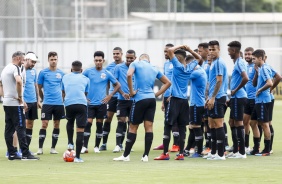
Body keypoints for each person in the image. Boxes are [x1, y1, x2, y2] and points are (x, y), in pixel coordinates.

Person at [113, 54, 171, 162]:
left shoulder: (135, 64)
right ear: (149, 60)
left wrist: (131, 92)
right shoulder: (154, 68)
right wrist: (156, 94)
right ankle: (145, 156)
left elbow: (129, 75)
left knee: (133, 127)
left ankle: (126, 156)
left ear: (139, 59)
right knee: (149, 127)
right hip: (151, 100)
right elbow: (168, 82)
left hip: (139, 99)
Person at [154, 45, 202, 161]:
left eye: (175, 57)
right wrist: (190, 50)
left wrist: (182, 46)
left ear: (179, 58)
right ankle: (181, 154)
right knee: (181, 127)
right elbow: (199, 58)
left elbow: (170, 50)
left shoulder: (177, 66)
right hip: (184, 101)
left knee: (168, 125)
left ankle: (165, 153)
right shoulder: (190, 67)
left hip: (175, 99)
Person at [0, 51, 39, 160]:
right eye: (22, 58)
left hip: (7, 102)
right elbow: (18, 81)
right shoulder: (15, 68)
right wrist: (20, 97)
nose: (23, 60)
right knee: (21, 127)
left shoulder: (5, 68)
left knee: (9, 129)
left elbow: (1, 84)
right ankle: (25, 153)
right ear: (17, 58)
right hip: (15, 103)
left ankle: (12, 153)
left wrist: (5, 96)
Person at [82, 51, 121, 153]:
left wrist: (110, 96)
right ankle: (84, 146)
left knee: (99, 124)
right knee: (88, 123)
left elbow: (117, 85)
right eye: (96, 60)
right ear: (94, 61)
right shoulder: (87, 72)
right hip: (90, 103)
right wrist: (83, 96)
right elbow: (80, 81)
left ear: (103, 61)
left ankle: (96, 146)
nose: (98, 62)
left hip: (102, 103)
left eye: (100, 60)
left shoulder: (107, 73)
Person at [36, 51, 65, 155]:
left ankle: (53, 148)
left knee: (56, 124)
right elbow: (39, 88)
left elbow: (63, 90)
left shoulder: (62, 73)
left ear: (57, 60)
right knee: (44, 124)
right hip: (47, 103)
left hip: (59, 104)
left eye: (55, 59)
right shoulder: (43, 73)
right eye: (51, 59)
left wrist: (62, 99)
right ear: (48, 60)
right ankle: (40, 148)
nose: (53, 61)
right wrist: (42, 99)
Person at [153, 43, 180, 152]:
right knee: (167, 121)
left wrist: (173, 95)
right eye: (164, 51)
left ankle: (176, 144)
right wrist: (164, 100)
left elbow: (177, 81)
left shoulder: (177, 64)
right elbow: (165, 83)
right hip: (167, 96)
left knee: (175, 121)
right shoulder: (165, 64)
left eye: (167, 51)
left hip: (175, 96)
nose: (165, 53)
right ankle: (166, 143)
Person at [204, 40, 228, 161]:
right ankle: (213, 152)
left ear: (219, 49)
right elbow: (211, 82)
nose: (212, 52)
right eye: (210, 49)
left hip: (218, 97)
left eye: (214, 49)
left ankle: (220, 154)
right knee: (211, 124)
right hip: (213, 97)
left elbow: (219, 81)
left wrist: (212, 97)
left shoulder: (219, 62)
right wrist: (208, 97)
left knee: (218, 124)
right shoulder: (213, 63)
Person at [62, 61, 90, 163]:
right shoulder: (86, 79)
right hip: (81, 104)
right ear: (81, 70)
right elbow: (85, 93)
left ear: (71, 69)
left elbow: (63, 91)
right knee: (80, 130)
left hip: (68, 103)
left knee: (69, 121)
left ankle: (70, 142)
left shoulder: (65, 77)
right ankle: (77, 157)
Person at [226, 41, 248, 159]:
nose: (228, 53)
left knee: (238, 123)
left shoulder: (240, 63)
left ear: (234, 51)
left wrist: (235, 90)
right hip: (236, 97)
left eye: (229, 51)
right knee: (232, 122)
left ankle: (242, 152)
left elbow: (246, 78)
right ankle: (235, 150)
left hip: (239, 96)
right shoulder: (238, 63)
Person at [100, 47, 124, 151]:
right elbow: (106, 82)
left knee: (122, 119)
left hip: (123, 97)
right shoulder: (109, 67)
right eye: (114, 53)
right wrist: (108, 93)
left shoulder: (126, 65)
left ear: (121, 54)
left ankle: (120, 144)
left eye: (117, 53)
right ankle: (104, 143)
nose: (115, 55)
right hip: (112, 97)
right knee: (108, 118)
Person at [112, 49, 136, 153]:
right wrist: (122, 93)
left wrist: (134, 93)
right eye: (128, 58)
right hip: (122, 100)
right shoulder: (118, 67)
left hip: (134, 100)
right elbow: (114, 82)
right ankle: (118, 145)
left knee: (131, 123)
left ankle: (128, 145)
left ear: (135, 58)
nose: (129, 60)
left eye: (131, 58)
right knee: (121, 121)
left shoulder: (137, 67)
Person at [250, 49, 273, 156]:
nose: (253, 60)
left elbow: (270, 83)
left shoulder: (264, 69)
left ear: (260, 58)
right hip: (258, 101)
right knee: (252, 122)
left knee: (264, 124)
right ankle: (256, 147)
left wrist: (259, 90)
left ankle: (267, 149)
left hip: (263, 100)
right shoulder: (261, 69)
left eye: (254, 59)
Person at [187, 58, 207, 158]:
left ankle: (198, 151)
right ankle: (188, 149)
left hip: (196, 104)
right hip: (198, 102)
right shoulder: (200, 71)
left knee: (196, 127)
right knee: (192, 127)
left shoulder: (197, 73)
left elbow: (184, 75)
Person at [24, 52, 41, 148]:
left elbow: (35, 86)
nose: (34, 64)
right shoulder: (20, 71)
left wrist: (38, 100)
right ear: (26, 60)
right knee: (20, 125)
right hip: (24, 102)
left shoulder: (34, 71)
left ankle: (26, 148)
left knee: (30, 124)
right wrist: (22, 100)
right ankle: (13, 149)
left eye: (35, 62)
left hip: (33, 101)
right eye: (32, 62)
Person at [243, 47, 256, 154]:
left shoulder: (257, 67)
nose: (247, 56)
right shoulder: (246, 67)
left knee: (258, 124)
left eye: (249, 54)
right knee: (245, 122)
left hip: (255, 99)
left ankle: (259, 147)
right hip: (247, 99)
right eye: (245, 54)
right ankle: (246, 146)